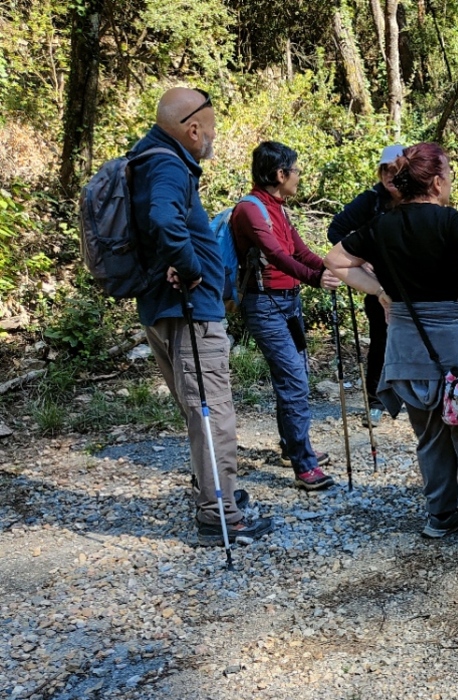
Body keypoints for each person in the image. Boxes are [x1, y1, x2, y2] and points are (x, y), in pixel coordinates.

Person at [324, 143, 458, 544]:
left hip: (407, 342)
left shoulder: (381, 225)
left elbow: (335, 261)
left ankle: (440, 515)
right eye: (449, 174)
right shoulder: (451, 221)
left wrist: (380, 291)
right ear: (437, 182)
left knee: (429, 433)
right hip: (455, 340)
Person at [129, 87, 272, 546]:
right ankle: (219, 514)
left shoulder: (145, 157)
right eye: (211, 129)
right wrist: (191, 268)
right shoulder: (169, 165)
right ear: (193, 129)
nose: (213, 138)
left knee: (199, 410)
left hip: (162, 307)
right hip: (188, 312)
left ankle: (216, 493)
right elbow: (164, 219)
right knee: (213, 414)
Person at [230, 141, 342, 491]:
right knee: (294, 381)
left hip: (289, 303)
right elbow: (277, 256)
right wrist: (316, 279)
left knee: (295, 376)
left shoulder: (278, 208)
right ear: (280, 174)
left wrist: (331, 269)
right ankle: (304, 465)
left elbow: (300, 252)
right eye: (295, 171)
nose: (298, 176)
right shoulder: (250, 211)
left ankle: (290, 445)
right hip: (265, 306)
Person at [327, 144, 404, 426]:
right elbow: (336, 230)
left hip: (412, 283)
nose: (390, 175)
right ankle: (376, 401)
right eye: (385, 169)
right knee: (381, 340)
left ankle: (414, 396)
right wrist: (363, 260)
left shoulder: (417, 199)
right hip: (379, 285)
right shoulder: (370, 200)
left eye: (395, 170)